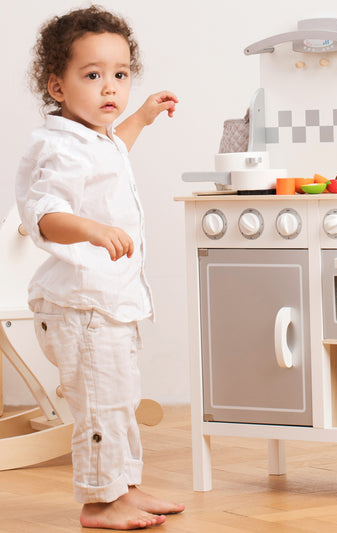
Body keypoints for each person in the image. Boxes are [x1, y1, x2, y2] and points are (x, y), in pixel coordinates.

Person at [16, 5, 184, 530]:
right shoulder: (59, 148)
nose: (110, 87)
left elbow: (114, 155)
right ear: (57, 86)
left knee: (119, 402)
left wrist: (143, 117)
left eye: (121, 74)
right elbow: (45, 215)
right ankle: (99, 502)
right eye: (92, 76)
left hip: (107, 301)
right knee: (98, 407)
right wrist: (91, 229)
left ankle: (123, 488)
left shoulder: (96, 138)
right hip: (80, 306)